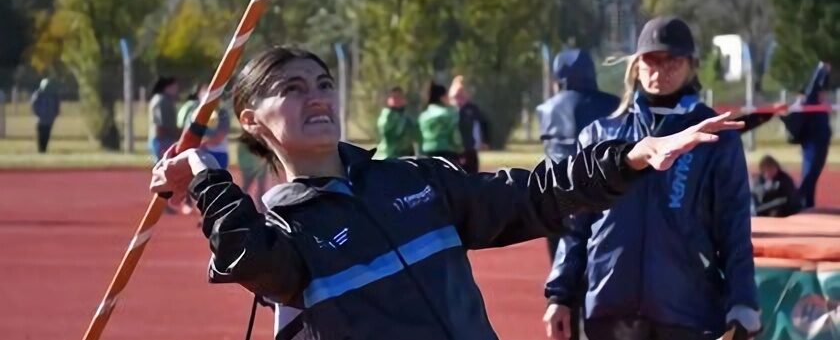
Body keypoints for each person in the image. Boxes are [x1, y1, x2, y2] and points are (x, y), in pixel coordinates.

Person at [149, 46, 740, 340]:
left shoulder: (415, 181)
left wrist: (631, 156)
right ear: (252, 121)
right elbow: (246, 256)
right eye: (293, 88)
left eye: (324, 83)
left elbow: (536, 193)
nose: (318, 97)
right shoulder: (285, 235)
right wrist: (205, 172)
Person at [543, 17, 760, 340]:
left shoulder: (716, 137)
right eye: (651, 59)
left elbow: (734, 226)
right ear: (636, 66)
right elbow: (577, 226)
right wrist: (560, 294)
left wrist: (743, 304)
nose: (661, 70)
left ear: (691, 66)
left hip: (688, 311)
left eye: (672, 60)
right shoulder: (599, 134)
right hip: (608, 310)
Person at [536, 48, 620, 260]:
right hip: (604, 193)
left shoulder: (546, 109)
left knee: (560, 263)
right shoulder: (615, 104)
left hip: (559, 194)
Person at [781, 61, 832, 208]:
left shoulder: (820, 105)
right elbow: (813, 86)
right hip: (812, 146)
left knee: (813, 176)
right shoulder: (811, 101)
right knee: (808, 176)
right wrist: (821, 70)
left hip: (820, 146)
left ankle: (808, 203)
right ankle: (800, 203)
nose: (824, 93)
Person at [448, 76, 490, 174]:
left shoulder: (472, 110)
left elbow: (483, 125)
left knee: (472, 174)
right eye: (456, 97)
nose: (458, 100)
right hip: (452, 150)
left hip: (469, 148)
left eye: (461, 96)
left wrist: (485, 141)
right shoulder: (448, 112)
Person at [418, 82, 462, 166]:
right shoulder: (450, 113)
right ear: (442, 97)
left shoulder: (423, 116)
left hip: (427, 152)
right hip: (446, 152)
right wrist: (460, 150)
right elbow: (454, 135)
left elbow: (419, 137)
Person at [376, 86, 418, 158]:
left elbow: (414, 136)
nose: (397, 100)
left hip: (405, 157)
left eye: (400, 97)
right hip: (388, 156)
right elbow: (386, 128)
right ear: (388, 100)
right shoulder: (386, 115)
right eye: (394, 97)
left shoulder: (407, 117)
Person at [148, 76, 180, 161]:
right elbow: (161, 125)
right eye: (174, 87)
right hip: (163, 141)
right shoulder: (162, 100)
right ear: (167, 87)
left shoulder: (159, 99)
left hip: (159, 139)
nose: (176, 90)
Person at [30, 78, 60, 153]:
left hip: (49, 119)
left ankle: (44, 150)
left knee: (47, 135)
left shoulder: (53, 95)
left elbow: (57, 106)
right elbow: (34, 105)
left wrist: (54, 114)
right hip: (40, 119)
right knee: (41, 135)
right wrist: (37, 114)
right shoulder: (38, 94)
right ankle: (41, 150)